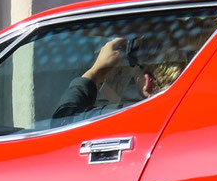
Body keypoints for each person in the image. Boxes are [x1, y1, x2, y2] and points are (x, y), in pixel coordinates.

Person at [51, 36, 184, 121]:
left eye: (134, 69)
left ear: (148, 83)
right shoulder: (194, 113)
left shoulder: (131, 117)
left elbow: (63, 121)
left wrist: (95, 72)